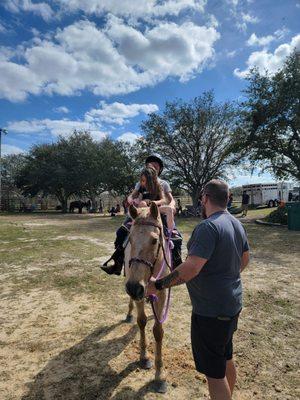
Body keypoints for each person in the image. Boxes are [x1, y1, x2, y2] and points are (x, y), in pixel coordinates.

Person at [147, 179, 250, 400]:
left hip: (211, 312)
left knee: (214, 374)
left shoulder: (207, 227)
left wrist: (158, 284)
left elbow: (190, 269)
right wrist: (224, 275)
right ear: (227, 199)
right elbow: (244, 260)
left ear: (204, 198)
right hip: (232, 305)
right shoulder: (236, 224)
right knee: (226, 358)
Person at [101, 155, 182, 275]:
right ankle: (118, 262)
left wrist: (155, 204)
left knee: (176, 237)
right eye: (150, 165)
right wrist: (130, 199)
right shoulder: (140, 184)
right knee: (121, 232)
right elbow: (132, 195)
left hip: (157, 213)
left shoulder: (162, 184)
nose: (153, 167)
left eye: (156, 166)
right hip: (140, 212)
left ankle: (176, 265)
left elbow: (167, 199)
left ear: (159, 170)